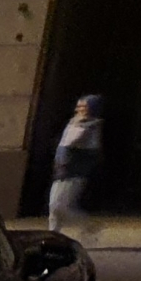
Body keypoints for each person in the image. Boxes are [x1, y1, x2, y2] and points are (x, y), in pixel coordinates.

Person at [47, 94, 103, 233]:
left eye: (84, 106)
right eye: (79, 106)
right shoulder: (74, 123)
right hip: (62, 171)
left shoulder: (91, 127)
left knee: (60, 207)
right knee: (53, 207)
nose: (79, 109)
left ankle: (87, 224)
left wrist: (79, 124)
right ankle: (53, 234)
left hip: (74, 173)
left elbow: (73, 141)